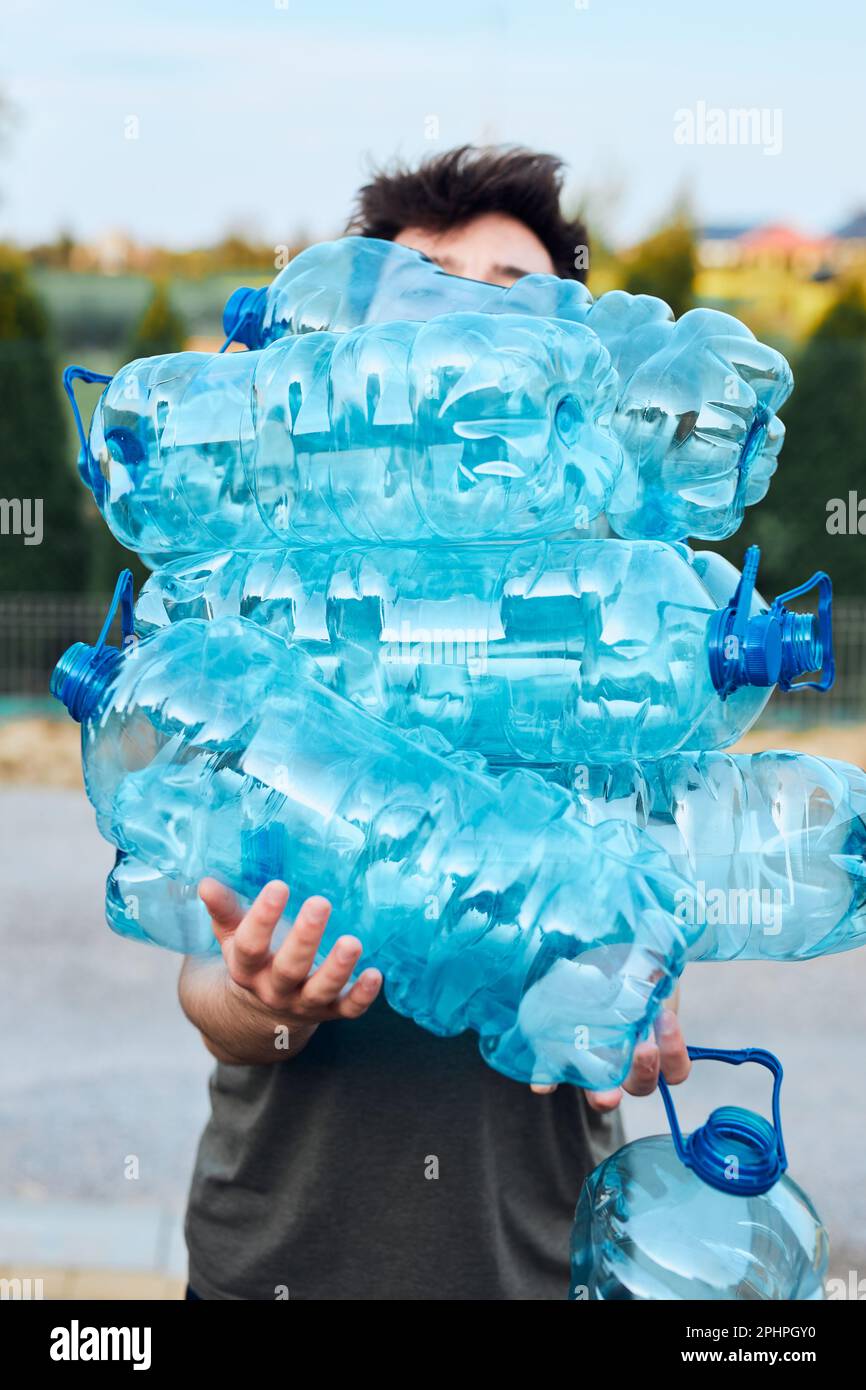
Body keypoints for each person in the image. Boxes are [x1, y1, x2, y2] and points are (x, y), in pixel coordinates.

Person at [178, 145, 689, 1302]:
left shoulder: (620, 639)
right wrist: (265, 1002)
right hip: (276, 1261)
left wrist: (645, 965)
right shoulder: (267, 614)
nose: (464, 322)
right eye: (423, 287)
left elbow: (660, 913)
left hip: (534, 1259)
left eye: (507, 294)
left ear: (565, 359)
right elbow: (208, 998)